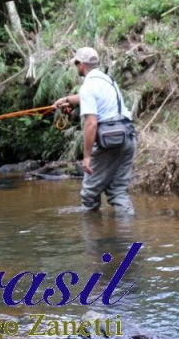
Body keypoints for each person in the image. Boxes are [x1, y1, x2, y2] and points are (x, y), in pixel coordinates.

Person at [53, 47, 137, 215]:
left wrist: (86, 156)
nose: (76, 67)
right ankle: (128, 235)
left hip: (110, 141)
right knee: (118, 190)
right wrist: (68, 100)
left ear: (81, 64)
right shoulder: (107, 79)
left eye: (76, 64)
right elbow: (88, 97)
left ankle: (94, 236)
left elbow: (91, 124)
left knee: (89, 193)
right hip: (129, 137)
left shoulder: (88, 86)